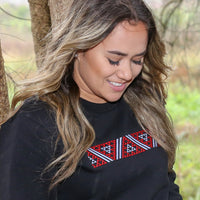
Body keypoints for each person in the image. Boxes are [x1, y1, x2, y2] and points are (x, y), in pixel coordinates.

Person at [0, 0, 182, 199]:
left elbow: (165, 185)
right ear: (79, 48)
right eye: (114, 60)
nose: (127, 73)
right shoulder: (35, 123)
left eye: (137, 60)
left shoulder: (144, 102)